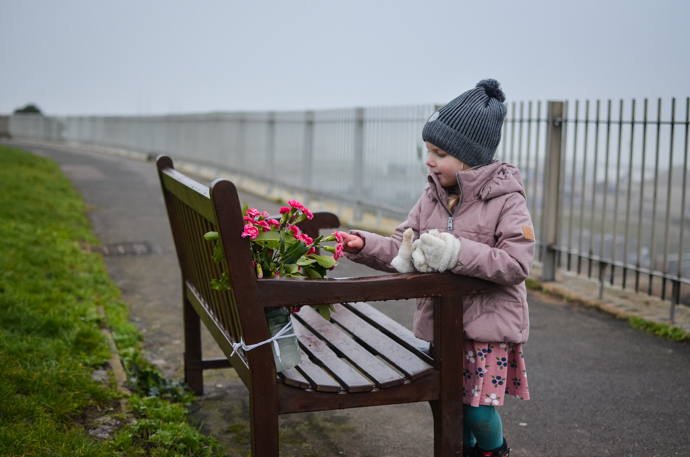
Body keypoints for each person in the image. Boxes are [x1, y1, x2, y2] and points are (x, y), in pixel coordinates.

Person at [338, 79, 534, 457]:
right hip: (444, 326)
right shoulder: (432, 195)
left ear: (469, 157)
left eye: (439, 152)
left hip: (485, 330)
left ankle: (495, 452)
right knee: (449, 406)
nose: (429, 160)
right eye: (428, 150)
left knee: (477, 411)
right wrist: (365, 245)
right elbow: (403, 249)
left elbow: (515, 263)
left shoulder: (506, 200)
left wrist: (455, 253)